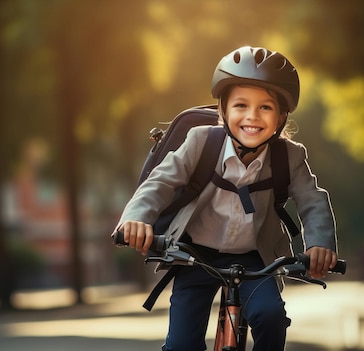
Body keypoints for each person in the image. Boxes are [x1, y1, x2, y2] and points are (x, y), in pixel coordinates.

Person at [115, 46, 338, 351]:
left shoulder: (289, 157)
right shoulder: (201, 142)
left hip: (254, 258)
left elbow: (312, 200)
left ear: (282, 116)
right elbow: (161, 182)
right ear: (222, 110)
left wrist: (319, 244)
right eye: (241, 105)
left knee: (270, 316)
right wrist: (137, 218)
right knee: (181, 344)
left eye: (266, 108)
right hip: (195, 256)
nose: (252, 117)